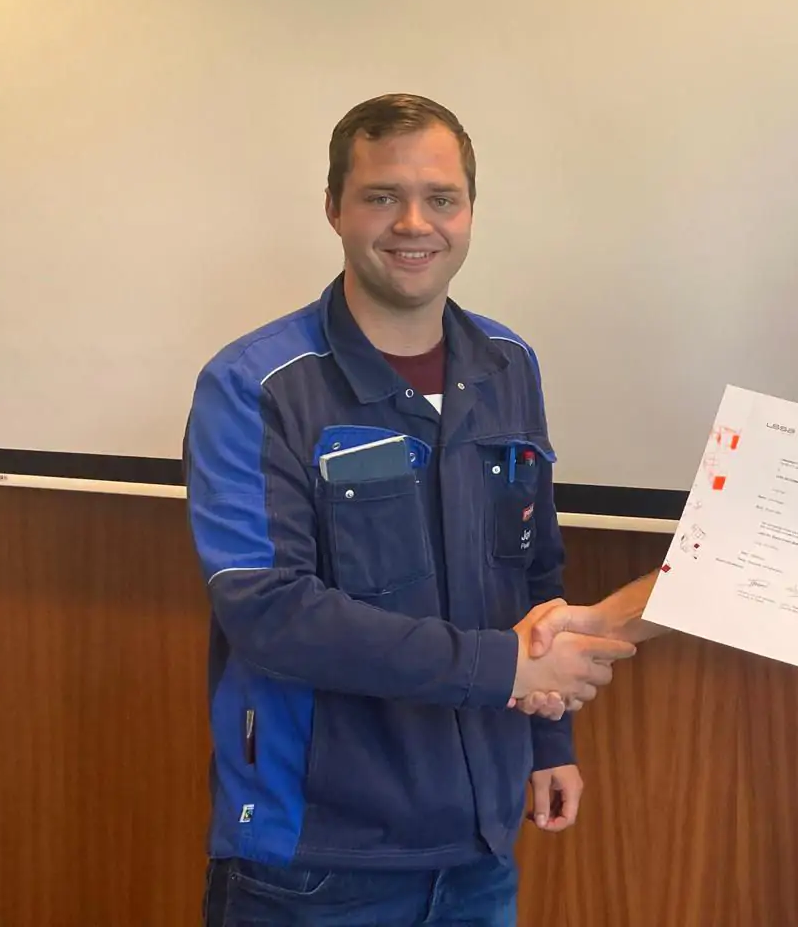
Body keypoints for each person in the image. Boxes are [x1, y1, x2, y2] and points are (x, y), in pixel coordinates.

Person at [184, 93, 636, 927]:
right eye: (382, 196)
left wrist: (546, 742)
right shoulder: (253, 385)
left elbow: (534, 572)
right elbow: (271, 613)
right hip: (314, 861)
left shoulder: (507, 364)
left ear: (470, 212)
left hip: (479, 846)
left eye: (441, 198)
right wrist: (504, 669)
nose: (414, 223)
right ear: (334, 208)